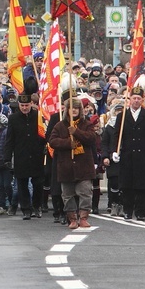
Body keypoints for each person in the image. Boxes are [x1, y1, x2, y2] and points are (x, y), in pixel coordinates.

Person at [49, 97, 97, 229]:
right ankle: (72, 219)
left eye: (76, 108)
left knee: (85, 192)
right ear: (67, 110)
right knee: (67, 195)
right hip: (66, 166)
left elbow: (91, 138)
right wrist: (67, 143)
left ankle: (83, 217)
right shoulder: (60, 125)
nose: (74, 110)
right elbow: (52, 141)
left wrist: (76, 132)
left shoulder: (86, 124)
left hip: (84, 166)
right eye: (71, 108)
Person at [114, 86, 145, 222]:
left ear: (142, 100)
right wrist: (114, 151)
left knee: (143, 186)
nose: (136, 101)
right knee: (127, 185)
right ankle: (128, 211)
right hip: (127, 155)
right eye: (133, 98)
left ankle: (141, 212)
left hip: (144, 155)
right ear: (129, 100)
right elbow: (117, 136)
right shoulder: (122, 116)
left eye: (138, 98)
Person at [4, 93, 47, 220]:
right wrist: (7, 157)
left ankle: (37, 206)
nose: (24, 108)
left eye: (26, 105)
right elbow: (9, 139)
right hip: (21, 156)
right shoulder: (13, 118)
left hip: (36, 155)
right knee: (22, 184)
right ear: (19, 105)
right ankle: (26, 209)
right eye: (22, 105)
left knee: (38, 183)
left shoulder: (38, 116)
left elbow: (44, 134)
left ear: (31, 104)